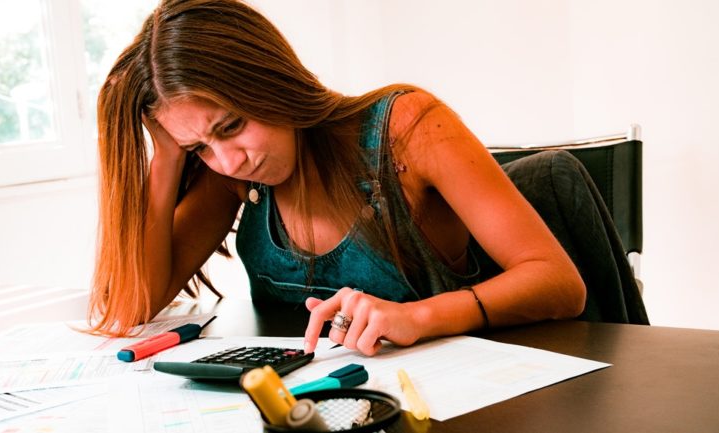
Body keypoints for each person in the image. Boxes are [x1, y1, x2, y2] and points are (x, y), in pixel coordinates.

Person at [89, 0, 586, 356]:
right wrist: (168, 157)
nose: (228, 161)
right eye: (199, 147)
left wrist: (418, 316)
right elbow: (133, 307)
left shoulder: (407, 128)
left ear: (270, 79)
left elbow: (558, 283)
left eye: (232, 125)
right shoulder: (232, 176)